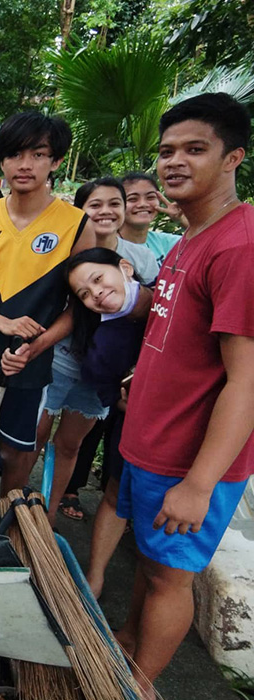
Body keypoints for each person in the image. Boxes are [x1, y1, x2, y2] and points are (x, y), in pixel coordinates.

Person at [116, 93, 254, 699]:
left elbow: (248, 380)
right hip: (152, 442)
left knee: (171, 580)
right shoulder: (193, 236)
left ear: (233, 158)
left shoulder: (240, 246)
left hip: (185, 461)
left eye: (195, 149)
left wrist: (199, 484)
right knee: (149, 566)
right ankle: (123, 647)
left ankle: (139, 687)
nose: (175, 162)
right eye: (167, 150)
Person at [0, 112, 99, 497]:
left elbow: (84, 305)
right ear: (2, 161)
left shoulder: (76, 224)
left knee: (16, 451)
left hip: (32, 363)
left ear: (55, 162)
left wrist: (38, 344)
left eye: (38, 154)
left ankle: (8, 518)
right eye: (15, 154)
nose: (25, 165)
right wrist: (3, 324)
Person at [36, 177, 159, 525]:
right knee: (34, 437)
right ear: (80, 211)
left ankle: (47, 517)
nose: (105, 212)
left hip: (102, 376)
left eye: (113, 203)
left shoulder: (140, 259)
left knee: (70, 444)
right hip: (60, 362)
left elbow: (150, 317)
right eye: (94, 205)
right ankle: (20, 506)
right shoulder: (65, 249)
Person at [62, 248, 149, 597]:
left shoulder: (172, 301)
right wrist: (124, 398)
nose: (95, 292)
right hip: (135, 424)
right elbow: (109, 393)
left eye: (98, 279)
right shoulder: (101, 346)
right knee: (116, 491)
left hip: (184, 424)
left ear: (125, 268)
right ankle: (95, 577)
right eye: (84, 293)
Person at [119, 171, 186, 267]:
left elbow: (208, 245)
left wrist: (181, 220)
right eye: (132, 199)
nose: (143, 204)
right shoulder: (110, 245)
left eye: (150, 197)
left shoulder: (165, 243)